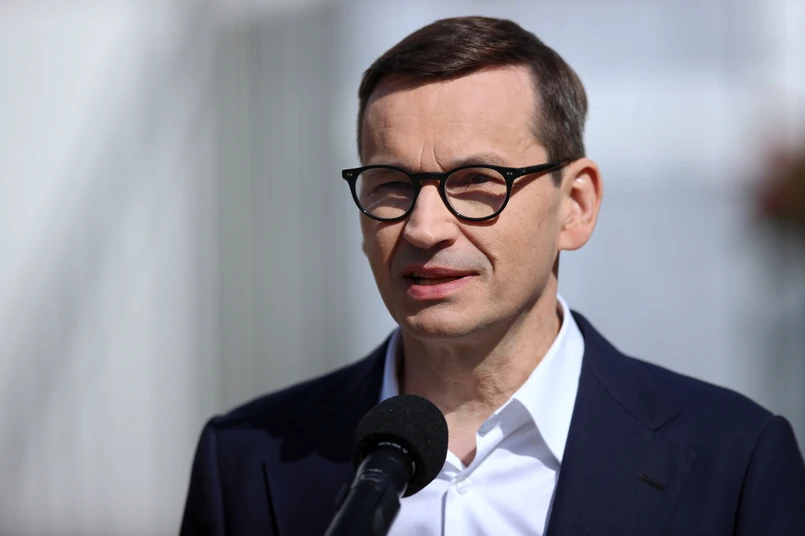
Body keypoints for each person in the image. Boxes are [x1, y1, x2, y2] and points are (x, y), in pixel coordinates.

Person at [179, 16, 805, 536]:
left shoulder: (733, 463)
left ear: (576, 206)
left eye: (477, 182)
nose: (424, 227)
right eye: (391, 184)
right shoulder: (245, 460)